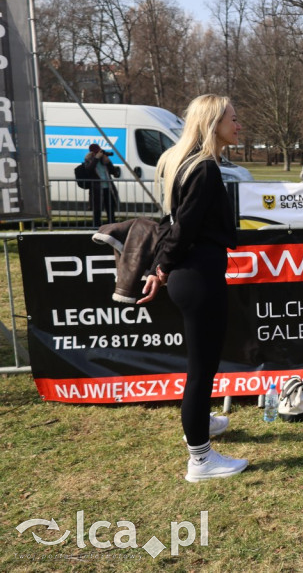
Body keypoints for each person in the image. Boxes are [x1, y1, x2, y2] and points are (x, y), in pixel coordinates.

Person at [138, 95, 247, 482]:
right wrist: (162, 266)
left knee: (200, 368)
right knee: (202, 371)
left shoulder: (180, 161)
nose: (239, 125)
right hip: (198, 277)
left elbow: (172, 225)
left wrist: (159, 269)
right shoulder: (204, 169)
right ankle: (200, 460)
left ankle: (202, 423)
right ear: (213, 122)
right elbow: (181, 228)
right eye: (233, 119)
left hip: (190, 275)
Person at [82, 144, 121, 226]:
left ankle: (112, 227)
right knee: (97, 210)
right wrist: (96, 159)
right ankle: (96, 228)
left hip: (108, 188)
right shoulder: (89, 160)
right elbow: (89, 170)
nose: (98, 154)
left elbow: (114, 172)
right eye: (96, 152)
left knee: (110, 210)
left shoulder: (104, 160)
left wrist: (108, 161)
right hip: (97, 189)